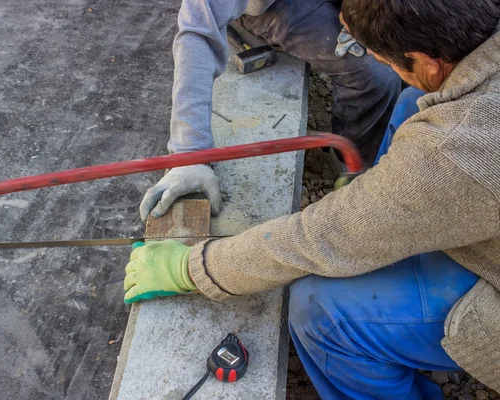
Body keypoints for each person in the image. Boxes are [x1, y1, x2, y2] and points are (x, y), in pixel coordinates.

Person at [124, 0, 500, 397]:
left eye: (389, 58)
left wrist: (192, 268)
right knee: (410, 103)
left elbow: (323, 237)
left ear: (429, 62)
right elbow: (198, 29)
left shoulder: (455, 148)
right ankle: (391, 206)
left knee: (322, 312)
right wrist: (190, 152)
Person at [138, 0, 402, 222]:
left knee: (401, 33)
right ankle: (357, 170)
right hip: (273, 7)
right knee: (375, 74)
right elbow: (198, 31)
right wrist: (190, 154)